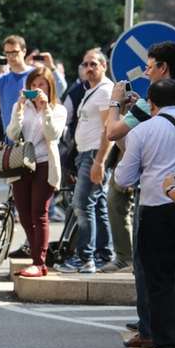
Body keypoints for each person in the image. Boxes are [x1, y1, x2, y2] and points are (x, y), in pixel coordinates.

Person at [113, 79, 175, 348]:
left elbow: (123, 179)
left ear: (150, 102)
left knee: (161, 284)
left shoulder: (144, 130)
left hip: (158, 212)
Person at [55, 49, 114, 274]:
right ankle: (103, 254)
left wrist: (99, 161)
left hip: (94, 155)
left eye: (94, 64)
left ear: (103, 66)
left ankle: (84, 258)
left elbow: (108, 129)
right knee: (97, 207)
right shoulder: (93, 90)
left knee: (82, 206)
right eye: (86, 64)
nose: (89, 68)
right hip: (85, 155)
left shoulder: (105, 91)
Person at [6, 68, 68, 276]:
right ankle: (36, 256)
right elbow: (13, 134)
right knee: (23, 214)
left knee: (39, 213)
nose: (37, 89)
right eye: (33, 85)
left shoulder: (58, 109)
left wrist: (45, 109)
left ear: (49, 87)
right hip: (23, 164)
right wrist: (20, 108)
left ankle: (39, 263)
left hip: (44, 163)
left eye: (41, 85)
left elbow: (53, 134)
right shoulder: (21, 106)